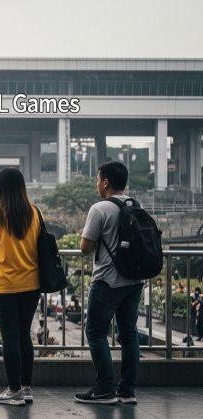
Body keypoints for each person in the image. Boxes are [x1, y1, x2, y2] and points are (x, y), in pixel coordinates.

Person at [75, 161, 144, 405]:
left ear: (105, 182)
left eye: (98, 179)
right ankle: (127, 391)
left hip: (107, 281)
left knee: (95, 332)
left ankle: (104, 388)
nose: (97, 183)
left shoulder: (99, 208)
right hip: (134, 281)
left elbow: (85, 247)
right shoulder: (135, 205)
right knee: (129, 334)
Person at [0, 167, 41, 406]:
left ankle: (13, 391)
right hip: (31, 283)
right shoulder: (35, 212)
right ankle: (26, 387)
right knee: (25, 335)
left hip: (4, 285)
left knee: (10, 337)